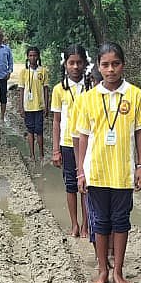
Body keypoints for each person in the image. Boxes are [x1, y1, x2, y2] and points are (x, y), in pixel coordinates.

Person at [73, 41, 141, 283]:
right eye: (105, 65)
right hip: (96, 172)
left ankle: (118, 271)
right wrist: (81, 171)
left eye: (115, 64)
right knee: (99, 222)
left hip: (122, 172)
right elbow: (83, 137)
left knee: (120, 222)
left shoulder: (135, 95)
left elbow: (140, 132)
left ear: (123, 65)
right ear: (98, 67)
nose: (110, 70)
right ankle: (102, 270)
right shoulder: (88, 99)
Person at [50, 43, 90, 237]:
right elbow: (56, 121)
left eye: (79, 63)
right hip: (66, 144)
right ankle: (74, 223)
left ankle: (86, 224)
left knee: (86, 185)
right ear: (65, 65)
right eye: (71, 63)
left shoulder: (91, 87)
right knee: (71, 186)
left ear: (85, 64)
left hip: (87, 144)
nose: (75, 67)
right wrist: (55, 149)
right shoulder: (59, 90)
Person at [18, 45, 49, 160]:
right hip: (28, 106)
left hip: (39, 106)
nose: (32, 58)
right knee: (30, 130)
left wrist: (47, 105)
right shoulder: (23, 72)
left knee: (39, 130)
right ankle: (32, 154)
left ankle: (41, 154)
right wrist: (21, 106)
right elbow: (21, 90)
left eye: (35, 55)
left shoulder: (43, 71)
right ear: (27, 57)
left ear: (38, 57)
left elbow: (46, 89)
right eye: (30, 55)